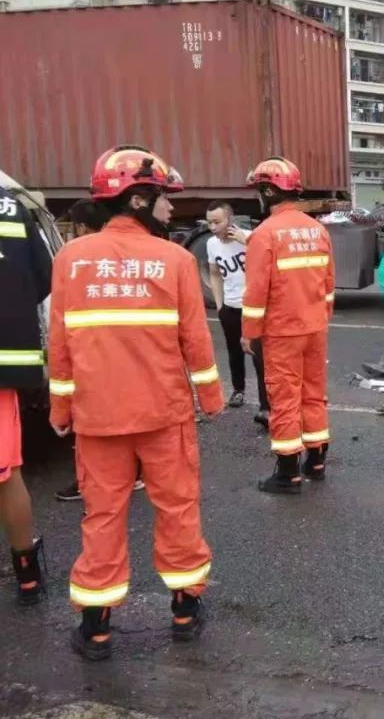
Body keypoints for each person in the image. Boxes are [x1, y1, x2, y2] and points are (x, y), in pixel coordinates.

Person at [48, 146, 223, 660]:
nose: (171, 209)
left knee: (102, 515)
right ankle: (186, 611)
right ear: (140, 198)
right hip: (164, 414)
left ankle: (96, 628)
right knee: (177, 508)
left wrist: (62, 409)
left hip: (98, 417)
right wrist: (210, 398)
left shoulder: (70, 260)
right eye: (164, 199)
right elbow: (195, 339)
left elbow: (60, 345)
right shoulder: (174, 260)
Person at [241, 158, 335, 495]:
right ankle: (317, 462)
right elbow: (328, 285)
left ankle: (287, 473)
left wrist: (250, 332)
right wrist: (320, 318)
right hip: (315, 327)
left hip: (282, 331)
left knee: (284, 399)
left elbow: (255, 292)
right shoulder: (318, 230)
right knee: (313, 394)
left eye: (259, 191)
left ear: (268, 191)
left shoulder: (264, 234)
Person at [54, 199, 146, 502]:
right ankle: (133, 475)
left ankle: (97, 483)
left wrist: (60, 405)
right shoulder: (145, 254)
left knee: (103, 430)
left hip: (95, 364)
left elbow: (61, 335)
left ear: (81, 227)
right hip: (136, 362)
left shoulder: (74, 258)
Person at [0, 182, 51, 605]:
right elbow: (44, 276)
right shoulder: (12, 207)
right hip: (5, 359)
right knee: (6, 473)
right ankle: (27, 573)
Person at [204, 201, 269, 425]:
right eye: (209, 222)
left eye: (217, 222)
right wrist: (220, 304)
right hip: (230, 307)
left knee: (259, 356)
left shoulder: (250, 237)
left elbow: (268, 264)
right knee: (234, 352)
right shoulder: (211, 244)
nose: (212, 227)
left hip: (252, 307)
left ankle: (265, 405)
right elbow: (214, 272)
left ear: (230, 220)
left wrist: (247, 242)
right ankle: (238, 390)